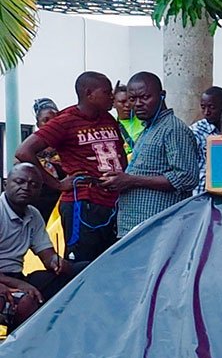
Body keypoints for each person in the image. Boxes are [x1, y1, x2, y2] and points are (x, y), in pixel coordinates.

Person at [16, 70, 125, 271]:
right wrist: (57, 184)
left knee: (111, 266)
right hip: (83, 205)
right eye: (106, 92)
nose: (111, 96)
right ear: (88, 93)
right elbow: (24, 151)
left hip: (113, 204)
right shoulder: (65, 121)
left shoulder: (108, 119)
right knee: (82, 267)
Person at [113, 72, 201, 235]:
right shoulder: (150, 128)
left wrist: (132, 180)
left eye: (145, 97)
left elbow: (187, 178)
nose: (138, 104)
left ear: (162, 95)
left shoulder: (173, 129)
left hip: (157, 228)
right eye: (132, 99)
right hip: (136, 226)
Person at [0, 162, 64, 327]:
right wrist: (21, 285)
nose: (26, 187)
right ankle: (14, 349)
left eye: (34, 185)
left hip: (14, 276)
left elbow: (47, 254)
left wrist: (56, 262)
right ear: (6, 184)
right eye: (19, 182)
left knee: (64, 280)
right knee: (26, 302)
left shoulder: (33, 215)